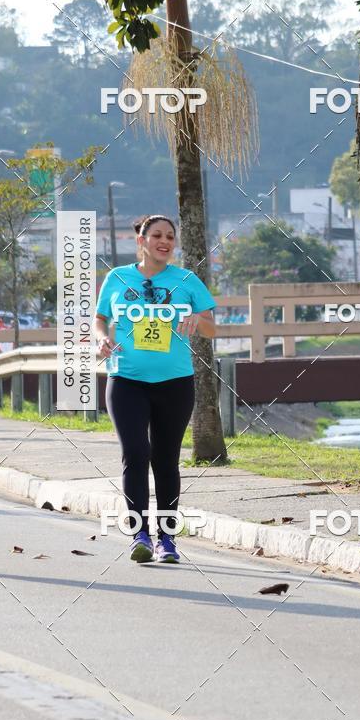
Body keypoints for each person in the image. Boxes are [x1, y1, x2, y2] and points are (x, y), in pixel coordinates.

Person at [94, 214, 217, 563]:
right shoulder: (117, 278)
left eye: (170, 237)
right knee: (135, 454)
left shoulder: (187, 280)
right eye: (157, 235)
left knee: (165, 460)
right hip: (126, 380)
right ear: (141, 240)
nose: (165, 241)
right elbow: (100, 319)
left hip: (175, 384)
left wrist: (198, 320)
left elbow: (212, 328)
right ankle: (140, 535)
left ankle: (167, 539)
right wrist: (102, 340)